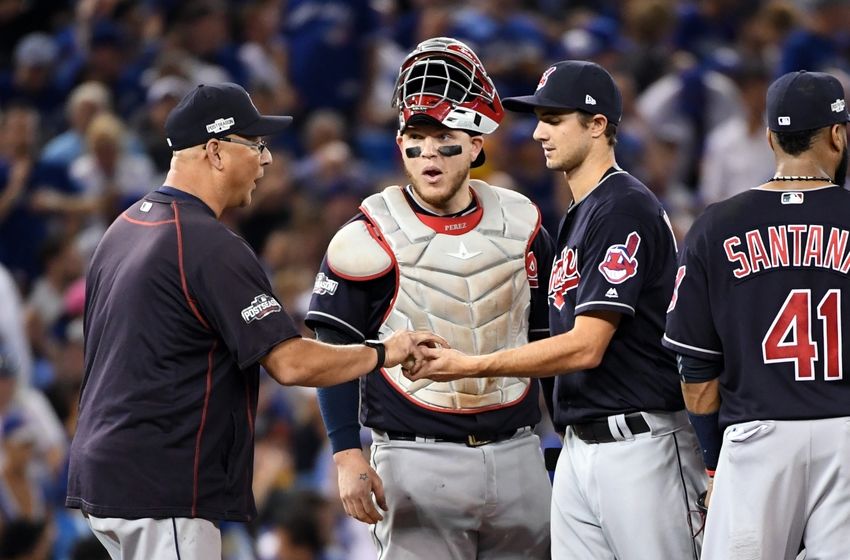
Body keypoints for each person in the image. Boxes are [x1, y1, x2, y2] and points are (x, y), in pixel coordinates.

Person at [64, 82, 442, 560]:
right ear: (216, 151)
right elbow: (292, 364)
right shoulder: (206, 244)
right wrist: (388, 350)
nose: (266, 161)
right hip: (163, 484)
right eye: (256, 145)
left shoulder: (124, 229)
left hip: (108, 474)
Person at [409, 60, 707, 559]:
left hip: (641, 446)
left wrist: (470, 364)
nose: (539, 132)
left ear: (597, 126)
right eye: (539, 118)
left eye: (554, 119)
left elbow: (587, 346)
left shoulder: (622, 206)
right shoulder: (581, 212)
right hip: (582, 449)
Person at [306, 37, 554, 559]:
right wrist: (347, 454)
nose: (429, 154)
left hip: (518, 450)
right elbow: (333, 354)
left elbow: (543, 339)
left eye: (444, 137)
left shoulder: (524, 222)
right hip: (416, 458)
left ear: (475, 144)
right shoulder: (367, 234)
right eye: (416, 138)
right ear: (400, 145)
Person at [663, 70, 850, 559]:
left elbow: (697, 372)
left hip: (757, 438)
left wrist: (711, 460)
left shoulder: (715, 225)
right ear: (837, 134)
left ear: (770, 138)